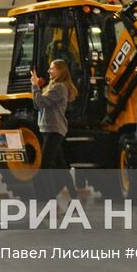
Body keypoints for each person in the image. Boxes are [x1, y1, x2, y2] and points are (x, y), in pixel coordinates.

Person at [32, 58, 78, 201]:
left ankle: (50, 200)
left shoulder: (59, 87)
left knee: (44, 167)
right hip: (49, 130)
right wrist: (36, 87)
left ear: (60, 70)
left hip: (54, 130)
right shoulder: (53, 86)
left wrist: (35, 86)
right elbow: (37, 104)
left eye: (52, 68)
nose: (48, 71)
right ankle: (74, 198)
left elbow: (41, 102)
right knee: (62, 167)